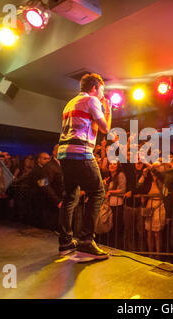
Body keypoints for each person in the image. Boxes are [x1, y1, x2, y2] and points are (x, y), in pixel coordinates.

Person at [57, 73, 112, 258]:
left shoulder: (70, 102)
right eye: (101, 90)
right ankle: (86, 241)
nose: (102, 94)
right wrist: (108, 110)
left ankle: (65, 241)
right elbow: (105, 129)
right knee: (97, 192)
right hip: (80, 153)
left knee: (69, 196)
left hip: (64, 154)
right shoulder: (91, 100)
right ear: (95, 87)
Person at [104, 160, 126, 249]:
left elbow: (123, 190)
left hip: (117, 204)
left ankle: (117, 247)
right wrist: (105, 185)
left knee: (117, 227)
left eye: (114, 164)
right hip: (109, 205)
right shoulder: (109, 177)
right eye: (110, 164)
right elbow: (105, 192)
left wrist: (110, 192)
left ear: (118, 166)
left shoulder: (120, 175)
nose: (112, 166)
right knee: (109, 226)